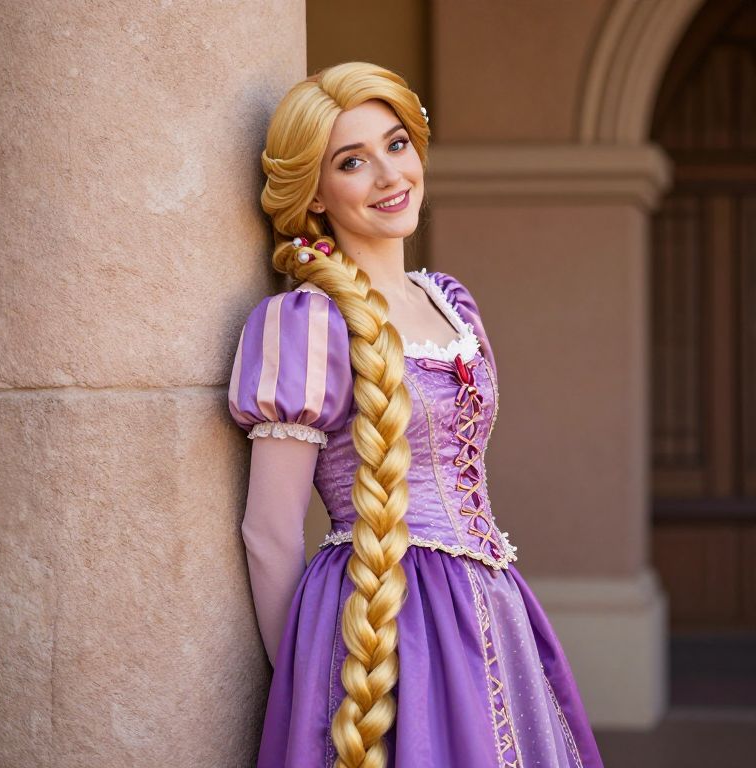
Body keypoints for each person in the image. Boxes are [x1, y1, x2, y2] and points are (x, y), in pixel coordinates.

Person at [228, 61, 604, 768]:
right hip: (384, 622)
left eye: (396, 145)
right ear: (313, 195)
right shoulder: (305, 323)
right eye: (352, 161)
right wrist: (309, 684)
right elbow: (268, 532)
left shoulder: (449, 302)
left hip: (491, 608)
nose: (388, 176)